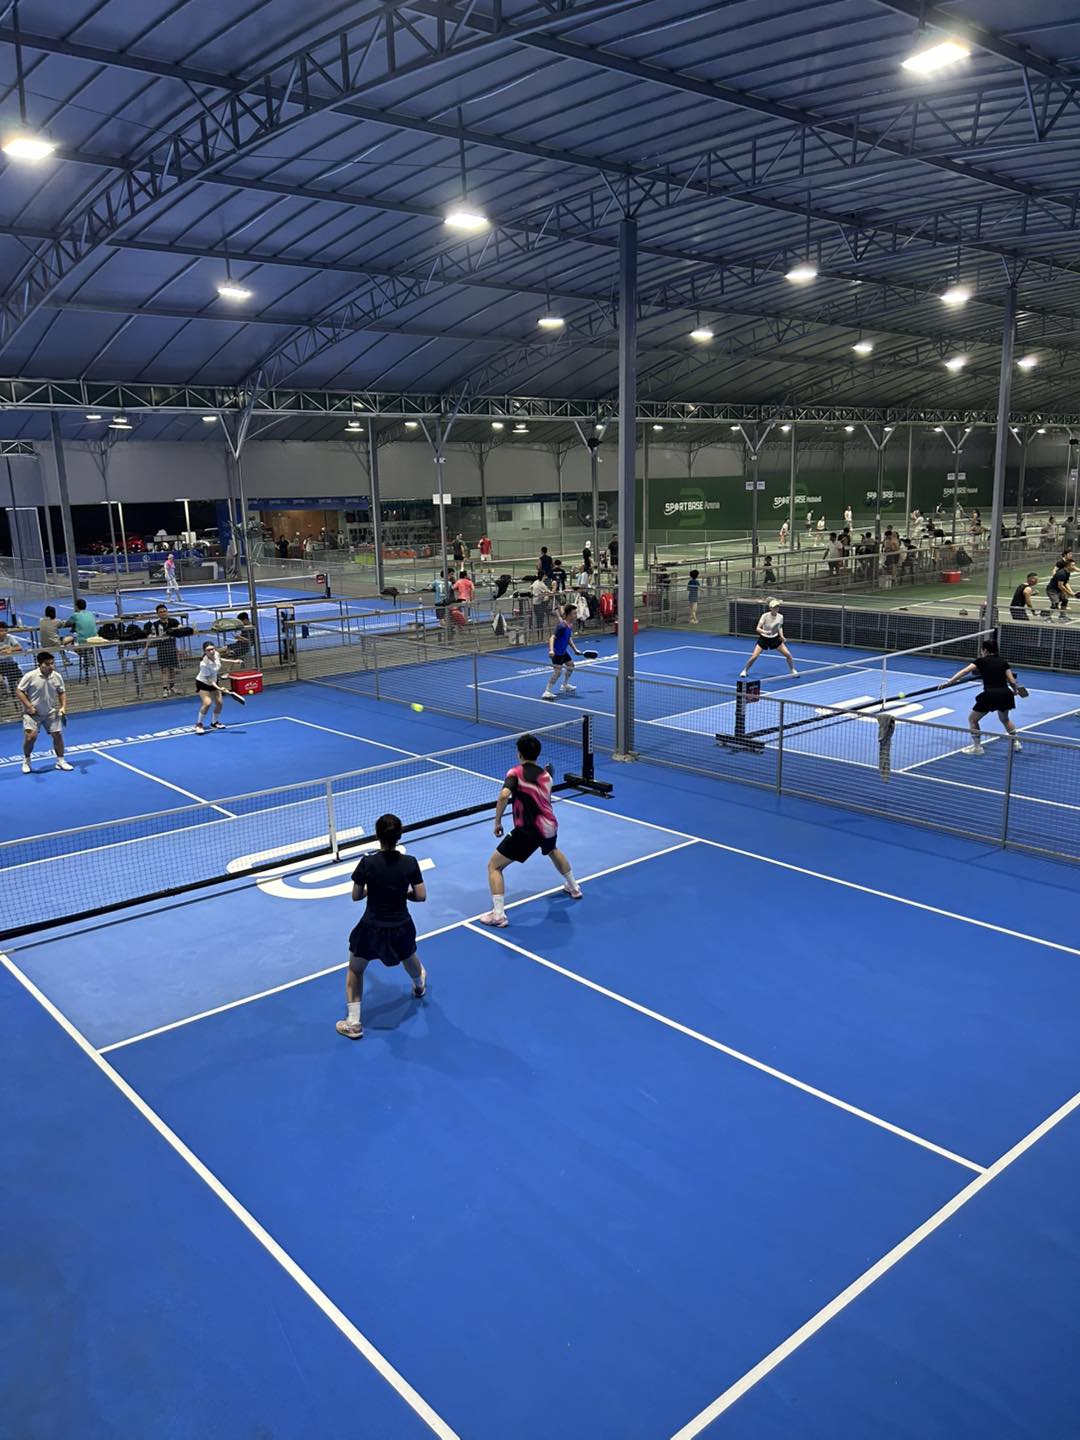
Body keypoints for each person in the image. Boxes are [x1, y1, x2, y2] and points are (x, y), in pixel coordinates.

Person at [335, 814, 427, 1040]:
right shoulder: (410, 863)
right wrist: (401, 893)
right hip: (402, 926)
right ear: (399, 836)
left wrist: (373, 890)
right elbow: (421, 896)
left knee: (356, 969)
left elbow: (356, 896)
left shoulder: (367, 863)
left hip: (371, 928)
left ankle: (354, 1023)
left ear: (377, 836)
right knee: (408, 955)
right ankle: (418, 987)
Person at [478, 733, 582, 927]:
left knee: (494, 866)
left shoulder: (515, 773)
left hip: (528, 831)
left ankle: (498, 915)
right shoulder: (546, 776)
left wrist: (497, 822)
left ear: (519, 753)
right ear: (537, 754)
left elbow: (504, 795)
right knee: (552, 850)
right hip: (549, 826)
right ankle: (574, 887)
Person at [939, 639, 1024, 756]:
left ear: (985, 650)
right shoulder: (1003, 662)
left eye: (982, 649)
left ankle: (977, 747)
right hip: (1005, 693)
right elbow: (1012, 681)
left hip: (990, 695)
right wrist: (1015, 691)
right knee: (1005, 719)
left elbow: (965, 671)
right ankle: (1016, 743)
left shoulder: (981, 661)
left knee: (973, 719)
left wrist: (949, 682)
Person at [16, 651, 71, 774]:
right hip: (32, 713)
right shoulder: (30, 676)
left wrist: (63, 707)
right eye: (47, 664)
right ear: (40, 664)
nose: (51, 666)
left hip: (51, 711)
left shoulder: (57, 676)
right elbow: (19, 691)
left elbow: (61, 692)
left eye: (52, 663)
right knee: (31, 737)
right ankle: (26, 760)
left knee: (58, 735)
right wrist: (29, 706)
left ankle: (60, 761)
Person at [193, 640, 243, 733]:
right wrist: (219, 688)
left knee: (219, 703)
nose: (211, 651)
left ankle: (214, 723)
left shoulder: (216, 654)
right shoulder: (204, 664)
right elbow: (209, 680)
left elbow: (220, 659)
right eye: (208, 650)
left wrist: (234, 661)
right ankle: (199, 724)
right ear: (204, 651)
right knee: (207, 703)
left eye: (212, 649)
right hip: (203, 683)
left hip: (214, 681)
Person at [740, 598, 798, 678]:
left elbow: (779, 627)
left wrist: (782, 636)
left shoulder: (780, 616)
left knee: (788, 655)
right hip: (764, 639)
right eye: (774, 607)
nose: (776, 609)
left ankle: (793, 670)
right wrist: (765, 632)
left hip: (775, 639)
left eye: (777, 607)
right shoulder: (765, 616)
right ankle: (745, 670)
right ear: (770, 608)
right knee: (754, 656)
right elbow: (757, 628)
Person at [541, 604, 582, 700]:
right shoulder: (562, 626)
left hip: (563, 651)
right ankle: (547, 691)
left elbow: (568, 638)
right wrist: (551, 650)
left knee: (571, 665)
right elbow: (552, 638)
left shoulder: (570, 625)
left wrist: (575, 649)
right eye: (574, 613)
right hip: (557, 653)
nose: (576, 615)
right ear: (569, 615)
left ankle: (565, 685)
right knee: (557, 672)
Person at [143, 602, 181, 695]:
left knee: (172, 669)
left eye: (164, 611)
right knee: (164, 670)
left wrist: (172, 630)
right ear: (157, 614)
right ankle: (165, 688)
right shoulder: (155, 624)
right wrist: (146, 647)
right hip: (162, 649)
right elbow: (151, 636)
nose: (163, 613)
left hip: (172, 648)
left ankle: (172, 686)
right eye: (160, 612)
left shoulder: (174, 621)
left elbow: (180, 628)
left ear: (167, 612)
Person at [0, 620, 24, 703]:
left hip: (10, 664)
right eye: (1, 631)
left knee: (21, 681)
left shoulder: (9, 637)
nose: (4, 633)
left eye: (5, 631)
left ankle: (22, 696)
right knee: (0, 681)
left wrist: (11, 649)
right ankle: (5, 692)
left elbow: (19, 647)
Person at [1047, 554, 1075, 620]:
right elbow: (1061, 586)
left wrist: (1071, 592)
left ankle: (1062, 616)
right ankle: (1047, 618)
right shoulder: (1062, 573)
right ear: (1068, 566)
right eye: (1073, 565)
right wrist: (1069, 593)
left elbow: (1066, 583)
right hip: (1052, 590)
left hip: (1059, 589)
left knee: (1065, 600)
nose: (1074, 567)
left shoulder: (1068, 572)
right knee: (1055, 603)